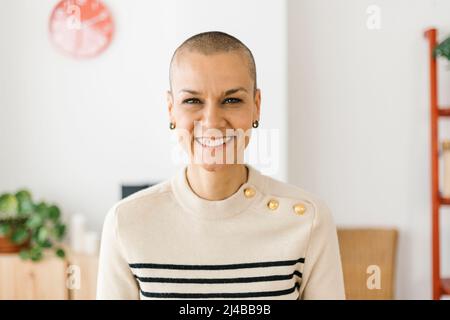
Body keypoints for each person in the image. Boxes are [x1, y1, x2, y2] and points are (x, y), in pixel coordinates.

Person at [96, 31, 345, 300]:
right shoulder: (126, 223)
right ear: (171, 109)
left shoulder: (307, 218)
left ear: (256, 106)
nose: (212, 122)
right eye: (192, 101)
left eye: (232, 100)